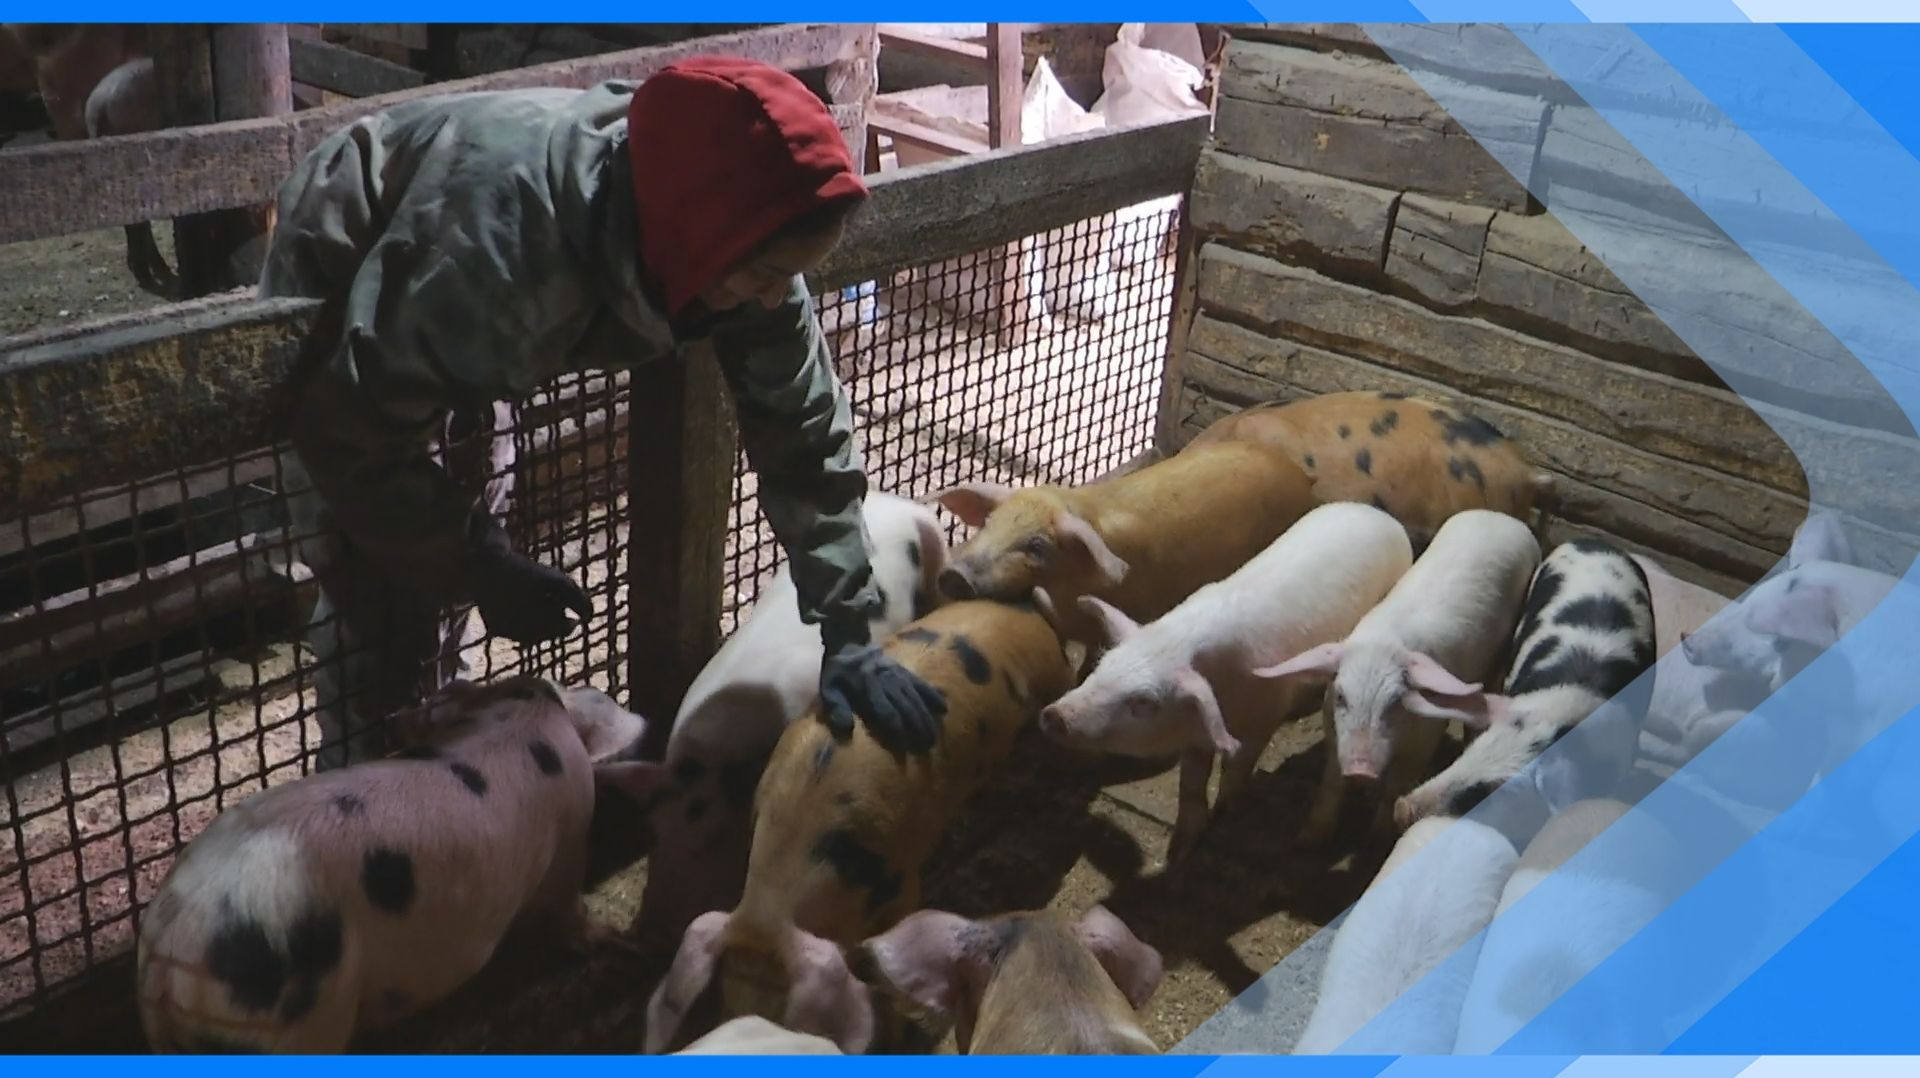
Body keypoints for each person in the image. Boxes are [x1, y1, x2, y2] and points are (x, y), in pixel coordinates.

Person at [260, 55, 947, 770]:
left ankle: (442, 740)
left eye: (788, 277)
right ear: (697, 238)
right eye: (768, 277)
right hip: (365, 256)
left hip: (472, 296)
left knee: (474, 488)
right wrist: (475, 559)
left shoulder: (746, 237)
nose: (778, 297)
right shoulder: (501, 264)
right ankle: (358, 783)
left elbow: (804, 435)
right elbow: (350, 429)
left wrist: (849, 628)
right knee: (376, 580)